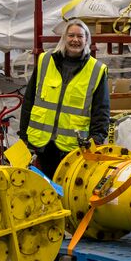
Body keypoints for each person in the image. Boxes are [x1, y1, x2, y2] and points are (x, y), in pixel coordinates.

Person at [19, 18, 110, 175]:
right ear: (64, 38)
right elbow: (29, 100)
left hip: (73, 147)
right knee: (39, 190)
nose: (75, 40)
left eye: (80, 36)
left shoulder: (96, 70)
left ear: (87, 40)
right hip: (41, 144)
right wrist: (23, 133)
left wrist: (96, 140)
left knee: (65, 194)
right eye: (71, 35)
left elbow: (101, 110)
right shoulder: (45, 61)